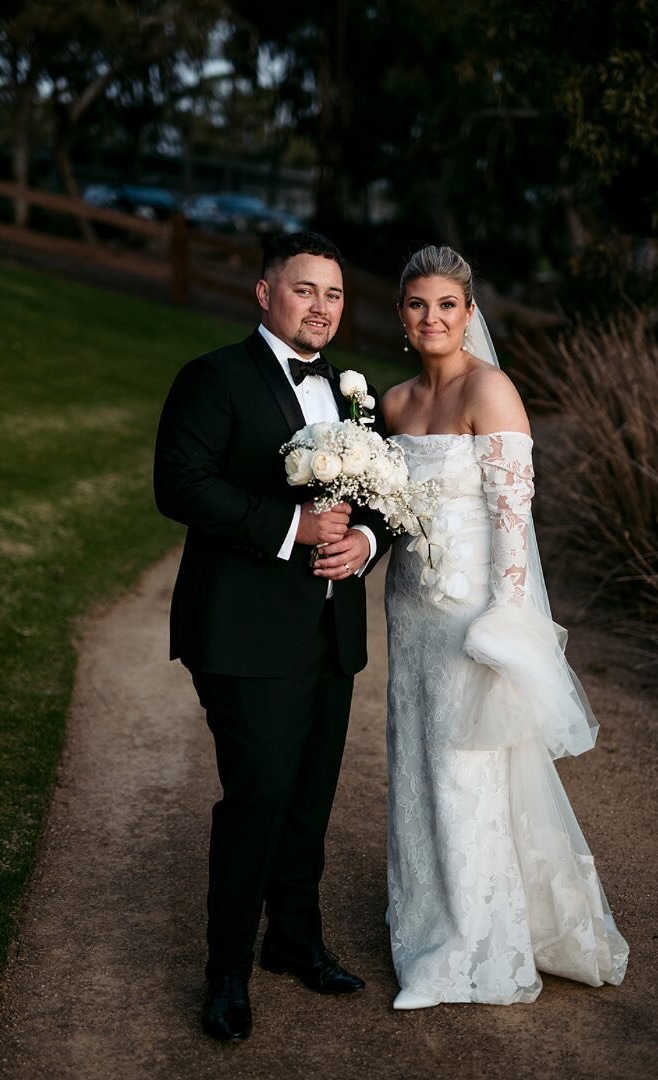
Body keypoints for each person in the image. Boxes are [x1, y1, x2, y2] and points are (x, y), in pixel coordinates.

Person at [153, 231, 393, 1041]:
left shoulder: (354, 393)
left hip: (330, 631)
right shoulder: (214, 378)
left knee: (309, 797)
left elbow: (385, 495)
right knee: (257, 798)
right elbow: (179, 485)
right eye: (303, 290)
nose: (320, 307)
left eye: (332, 293)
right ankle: (226, 970)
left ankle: (294, 940)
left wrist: (366, 543)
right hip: (244, 633)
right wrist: (290, 526)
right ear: (265, 294)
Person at [380, 245, 629, 1009]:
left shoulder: (491, 391)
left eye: (447, 305)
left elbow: (511, 516)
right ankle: (421, 929)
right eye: (418, 304)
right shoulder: (392, 404)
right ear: (402, 315)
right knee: (414, 772)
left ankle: (466, 950)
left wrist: (504, 616)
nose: (432, 318)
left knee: (463, 776)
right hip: (409, 613)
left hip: (469, 620)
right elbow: (388, 510)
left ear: (469, 314)